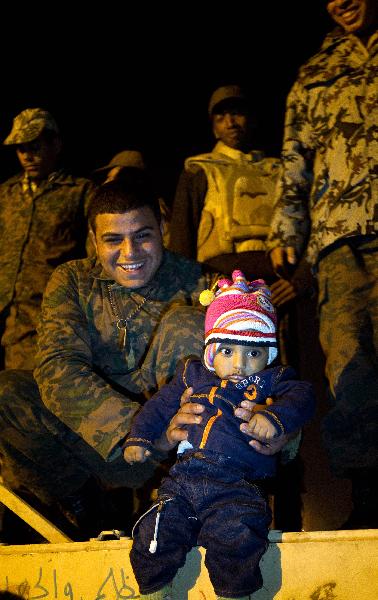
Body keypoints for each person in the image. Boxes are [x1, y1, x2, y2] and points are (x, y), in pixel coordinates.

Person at [0, 174, 288, 543]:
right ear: (93, 240)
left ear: (163, 227)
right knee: (9, 393)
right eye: (113, 240)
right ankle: (84, 503)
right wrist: (141, 431)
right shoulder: (72, 280)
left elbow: (260, 360)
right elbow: (59, 367)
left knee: (192, 327)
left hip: (177, 449)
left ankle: (176, 500)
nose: (130, 253)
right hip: (102, 444)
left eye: (142, 235)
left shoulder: (203, 284)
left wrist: (280, 426)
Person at [124, 270, 315, 600]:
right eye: (227, 351)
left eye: (253, 353)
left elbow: (305, 396)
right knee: (156, 525)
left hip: (237, 483)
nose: (240, 364)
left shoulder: (273, 380)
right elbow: (158, 406)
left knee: (236, 532)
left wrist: (275, 416)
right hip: (182, 478)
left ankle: (234, 594)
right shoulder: (192, 374)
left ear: (267, 355)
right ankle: (154, 591)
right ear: (211, 352)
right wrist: (139, 438)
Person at [267, 0, 378, 529]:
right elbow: (295, 157)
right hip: (338, 244)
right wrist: (287, 227)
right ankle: (369, 494)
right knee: (350, 370)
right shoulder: (315, 71)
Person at [0, 108, 93, 370]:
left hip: (45, 312)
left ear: (56, 144)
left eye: (35, 146)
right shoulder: (6, 194)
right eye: (21, 149)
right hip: (8, 311)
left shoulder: (78, 192)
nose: (28, 155)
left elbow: (93, 256)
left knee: (32, 385)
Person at [92, 149, 171, 246]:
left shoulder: (153, 208)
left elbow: (167, 245)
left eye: (111, 177)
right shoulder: (103, 207)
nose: (105, 182)